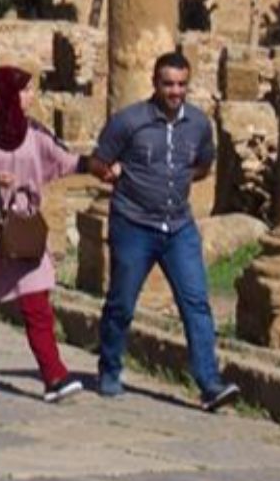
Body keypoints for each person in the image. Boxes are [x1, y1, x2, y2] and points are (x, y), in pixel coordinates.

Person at [90, 51, 241, 412]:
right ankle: (109, 368)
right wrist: (108, 172)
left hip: (179, 227)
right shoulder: (129, 122)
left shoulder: (200, 125)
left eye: (181, 84)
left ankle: (209, 383)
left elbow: (203, 165)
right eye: (168, 84)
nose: (175, 91)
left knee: (196, 304)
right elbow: (98, 160)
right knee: (122, 303)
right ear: (155, 84)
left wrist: (174, 180)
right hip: (133, 224)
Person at [0, 67, 88, 402]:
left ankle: (54, 375)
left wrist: (99, 166)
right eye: (25, 91)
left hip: (24, 228)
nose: (31, 97)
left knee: (36, 300)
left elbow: (65, 161)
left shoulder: (34, 132)